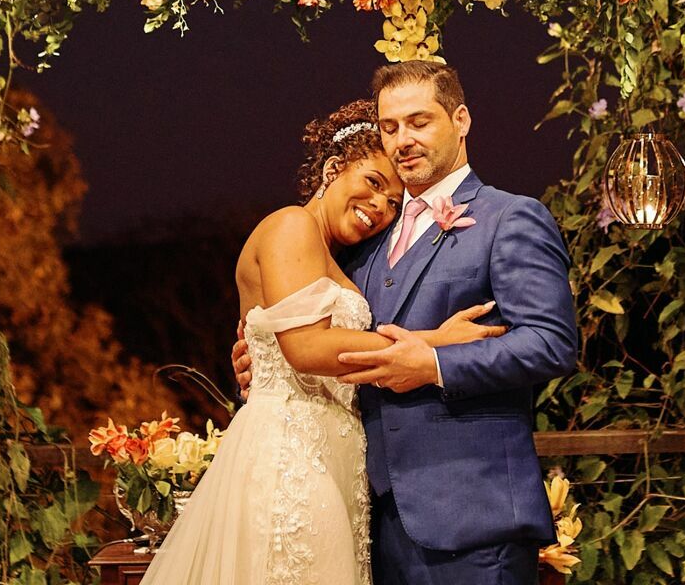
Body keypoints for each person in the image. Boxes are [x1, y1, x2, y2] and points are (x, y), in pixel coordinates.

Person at [234, 62, 582, 585]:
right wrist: (257, 355)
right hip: (369, 518)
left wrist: (436, 362)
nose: (403, 139)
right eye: (390, 127)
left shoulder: (510, 217)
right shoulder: (365, 239)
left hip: (474, 516)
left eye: (419, 122)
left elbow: (552, 344)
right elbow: (314, 334)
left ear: (461, 120)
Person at [140, 99, 507, 585]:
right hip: (290, 456)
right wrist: (435, 341)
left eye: (394, 203)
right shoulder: (290, 225)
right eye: (373, 183)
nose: (380, 207)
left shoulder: (338, 259)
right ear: (334, 169)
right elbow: (306, 349)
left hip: (335, 456)